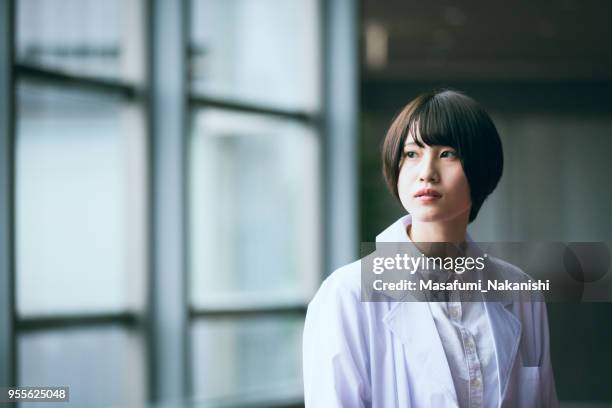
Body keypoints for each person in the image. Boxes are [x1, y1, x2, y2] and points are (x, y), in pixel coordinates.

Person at [302, 90, 558, 407]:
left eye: (447, 153)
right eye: (411, 154)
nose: (426, 172)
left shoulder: (520, 292)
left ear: (481, 168)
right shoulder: (347, 293)